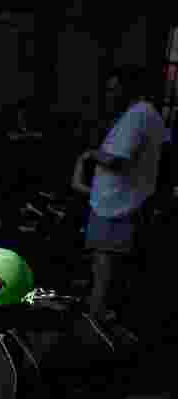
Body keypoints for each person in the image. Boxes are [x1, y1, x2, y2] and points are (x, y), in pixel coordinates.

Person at [79, 65, 166, 320]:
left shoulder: (139, 114)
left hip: (117, 205)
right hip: (118, 202)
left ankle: (98, 315)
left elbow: (118, 160)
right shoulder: (142, 114)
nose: (110, 94)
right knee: (103, 262)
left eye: (114, 89)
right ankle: (99, 309)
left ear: (128, 89)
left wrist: (91, 154)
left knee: (105, 262)